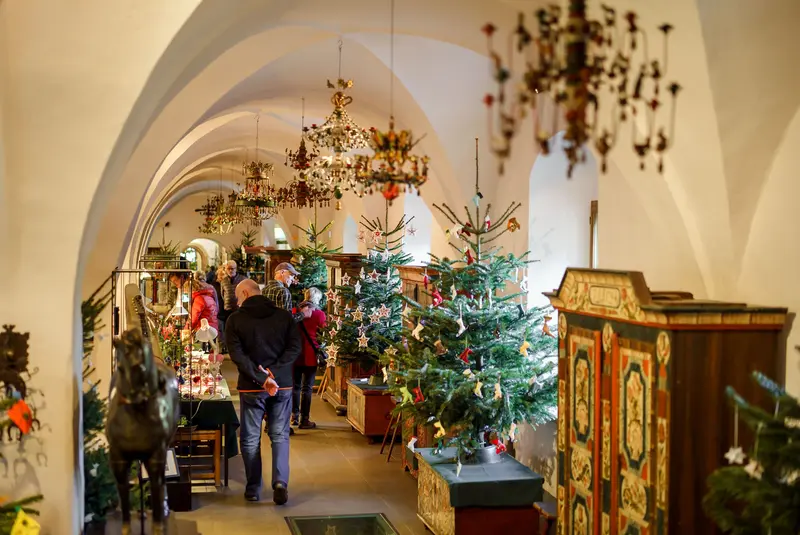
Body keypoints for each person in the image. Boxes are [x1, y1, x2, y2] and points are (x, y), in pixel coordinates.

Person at [226, 279, 301, 505]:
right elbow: (294, 348)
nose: (237, 303)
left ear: (246, 294)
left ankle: (253, 487)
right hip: (283, 385)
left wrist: (261, 378)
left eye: (238, 297)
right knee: (279, 435)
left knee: (250, 439)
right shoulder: (284, 317)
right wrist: (274, 373)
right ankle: (280, 483)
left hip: (251, 386)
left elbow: (237, 355)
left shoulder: (235, 320)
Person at [262, 262, 310, 435]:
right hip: (280, 343)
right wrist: (302, 314)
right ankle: (280, 425)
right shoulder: (283, 291)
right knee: (281, 385)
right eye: (290, 275)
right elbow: (287, 320)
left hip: (265, 341)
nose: (292, 279)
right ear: (281, 273)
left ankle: (268, 422)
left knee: (268, 380)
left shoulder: (265, 289)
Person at [293, 287, 326, 430]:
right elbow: (324, 332)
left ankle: (293, 415)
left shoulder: (295, 312)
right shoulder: (319, 314)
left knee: (295, 386)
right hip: (311, 355)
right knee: (307, 388)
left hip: (294, 355)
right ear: (317, 299)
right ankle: (304, 419)